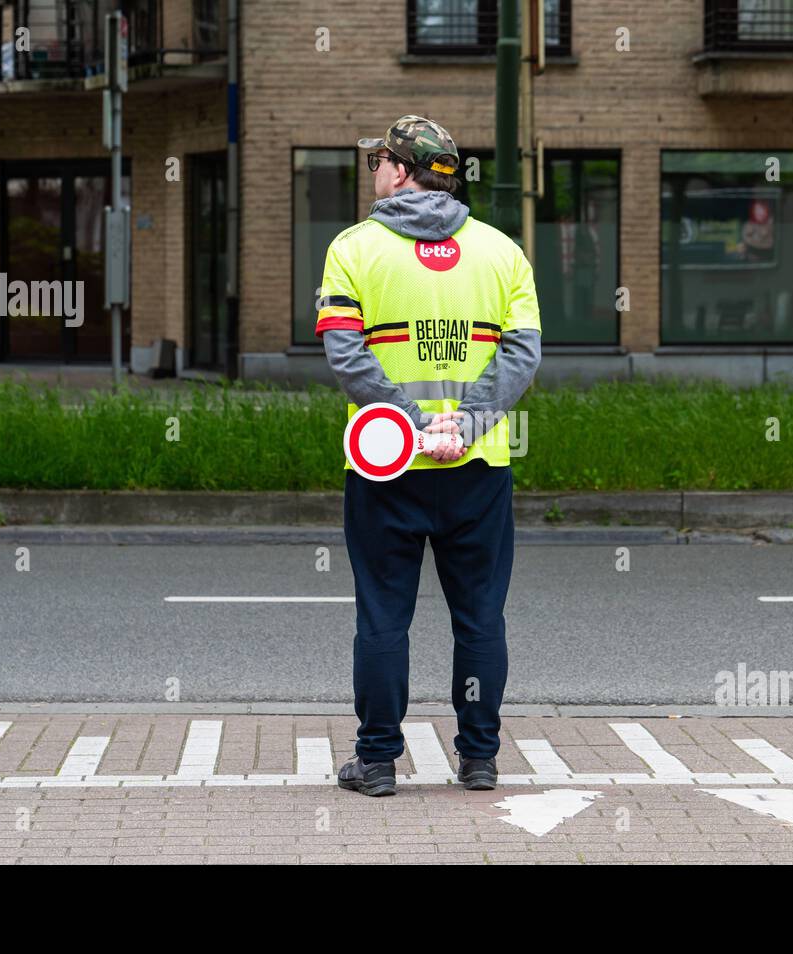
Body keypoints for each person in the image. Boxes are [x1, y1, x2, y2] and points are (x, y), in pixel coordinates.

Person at [317, 115, 542, 797]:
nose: (374, 174)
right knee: (479, 616)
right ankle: (478, 759)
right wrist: (465, 423)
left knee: (384, 615)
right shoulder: (501, 251)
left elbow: (346, 354)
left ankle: (379, 762)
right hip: (477, 467)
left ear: (398, 168)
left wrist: (412, 424)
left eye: (377, 162)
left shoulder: (354, 249)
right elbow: (522, 351)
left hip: (387, 467)